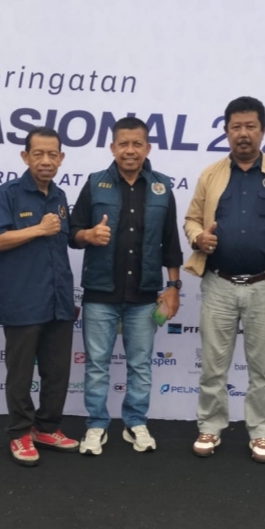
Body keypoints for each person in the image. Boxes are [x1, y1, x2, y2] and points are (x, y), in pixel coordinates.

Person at [183, 96, 265, 463]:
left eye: (250, 126)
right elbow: (191, 219)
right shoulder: (211, 175)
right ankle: (210, 426)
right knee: (213, 364)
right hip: (218, 284)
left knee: (262, 368)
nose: (243, 134)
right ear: (226, 131)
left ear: (263, 131)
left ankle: (261, 431)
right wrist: (197, 237)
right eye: (236, 127)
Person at [68, 117, 183, 455]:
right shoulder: (95, 183)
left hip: (145, 295)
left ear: (147, 148)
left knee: (140, 365)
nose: (130, 150)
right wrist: (89, 235)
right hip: (100, 293)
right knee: (97, 365)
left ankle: (135, 422)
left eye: (137, 144)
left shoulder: (162, 187)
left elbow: (171, 242)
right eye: (123, 144)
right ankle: (96, 424)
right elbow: (72, 233)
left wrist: (173, 286)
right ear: (112, 147)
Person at [0, 127, 79, 466]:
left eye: (52, 154)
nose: (46, 160)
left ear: (61, 158)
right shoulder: (8, 193)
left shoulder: (60, 195)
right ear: (25, 157)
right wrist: (38, 229)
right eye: (38, 154)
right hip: (22, 300)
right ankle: (20, 432)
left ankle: (47, 427)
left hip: (58, 300)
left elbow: (65, 241)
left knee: (57, 372)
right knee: (21, 374)